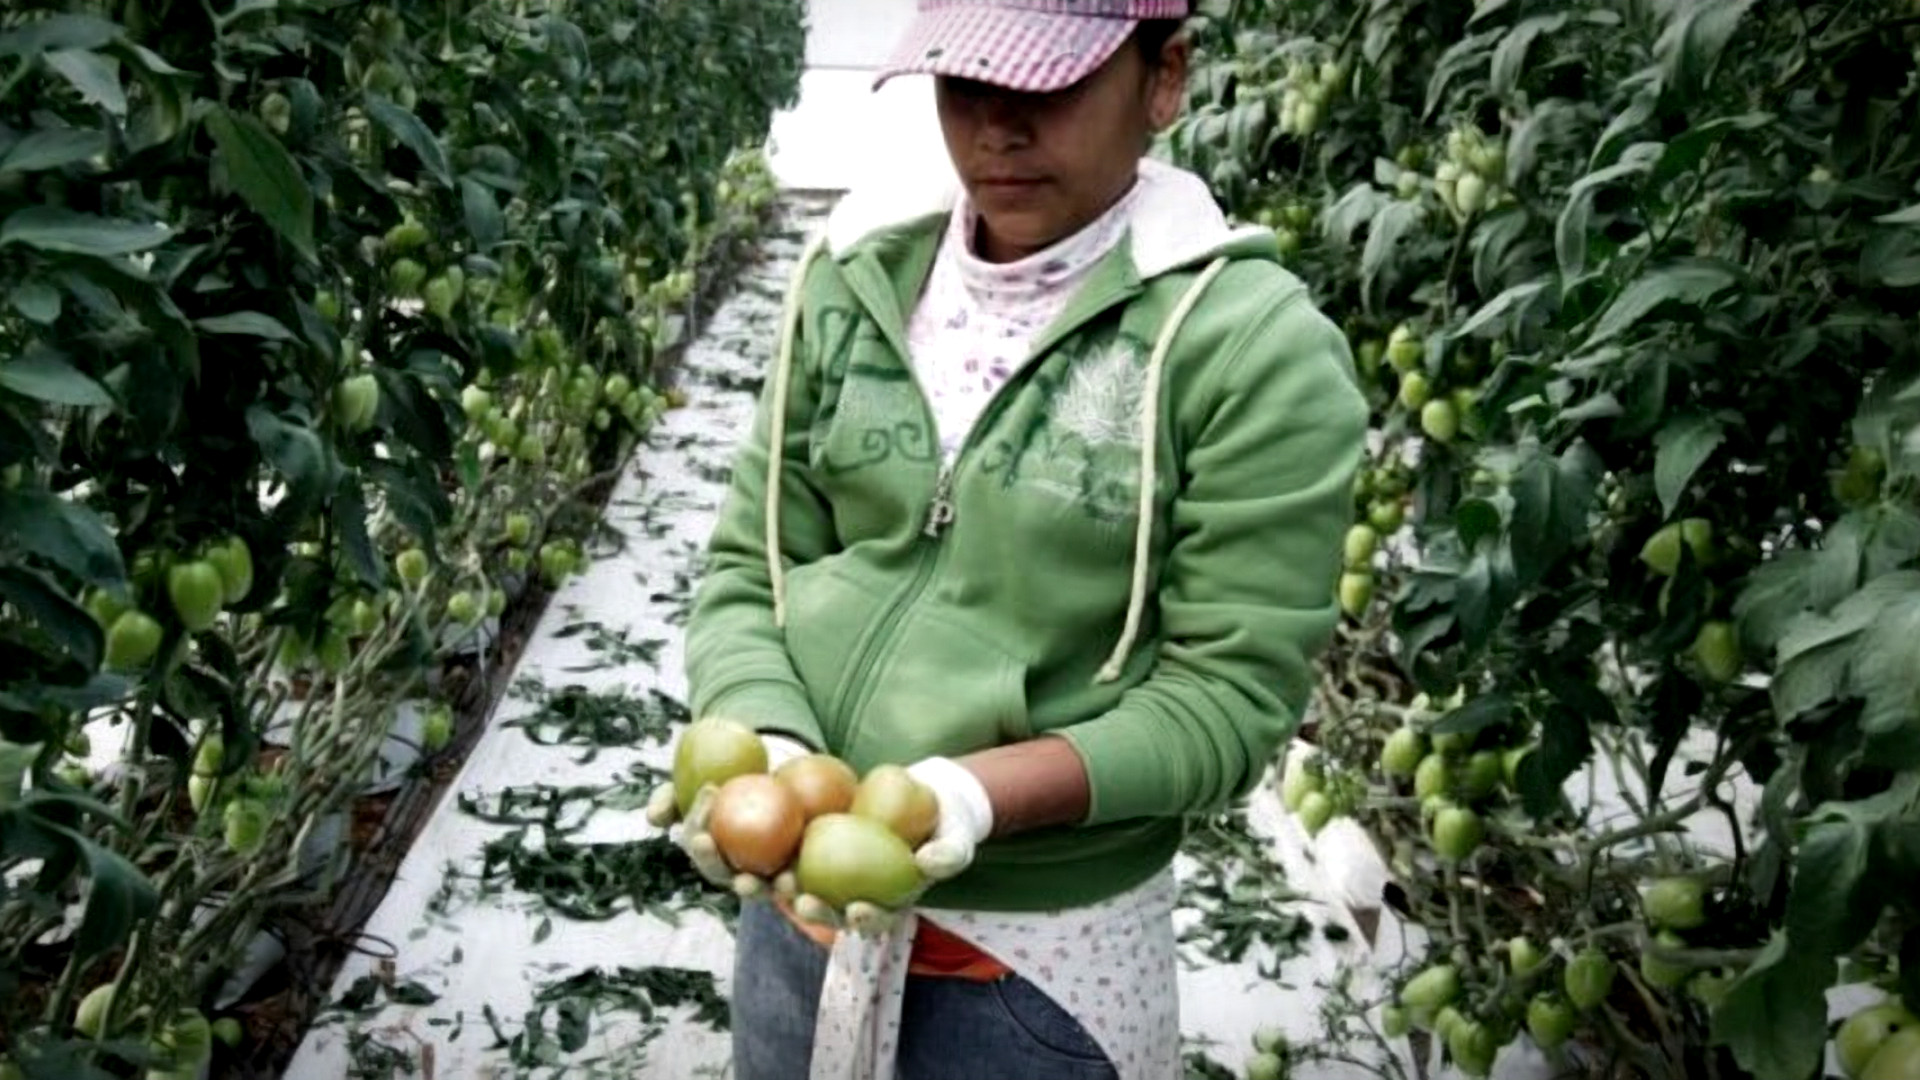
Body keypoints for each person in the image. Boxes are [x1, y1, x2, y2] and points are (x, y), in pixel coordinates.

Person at [654, 2, 1370, 1077]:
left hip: (1036, 968)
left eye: (1046, 86)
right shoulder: (856, 278)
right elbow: (751, 568)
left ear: (1163, 79)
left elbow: (1226, 703)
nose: (996, 129)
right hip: (799, 929)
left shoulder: (1252, 351)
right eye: (964, 82)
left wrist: (974, 796)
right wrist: (771, 743)